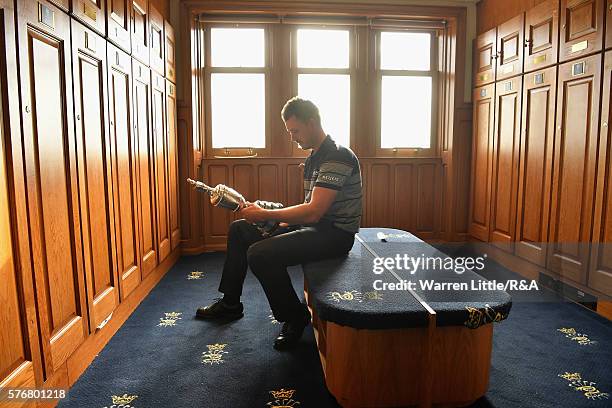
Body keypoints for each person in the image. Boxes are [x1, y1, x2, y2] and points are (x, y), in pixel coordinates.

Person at [195, 97, 363, 350]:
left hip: (336, 235)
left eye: (295, 131)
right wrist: (278, 219)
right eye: (290, 132)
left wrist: (266, 214)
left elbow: (314, 212)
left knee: (260, 254)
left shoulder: (337, 156)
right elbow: (308, 208)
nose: (293, 137)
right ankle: (230, 304)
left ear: (312, 122)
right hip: (315, 227)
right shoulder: (314, 157)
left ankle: (295, 317)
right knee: (240, 230)